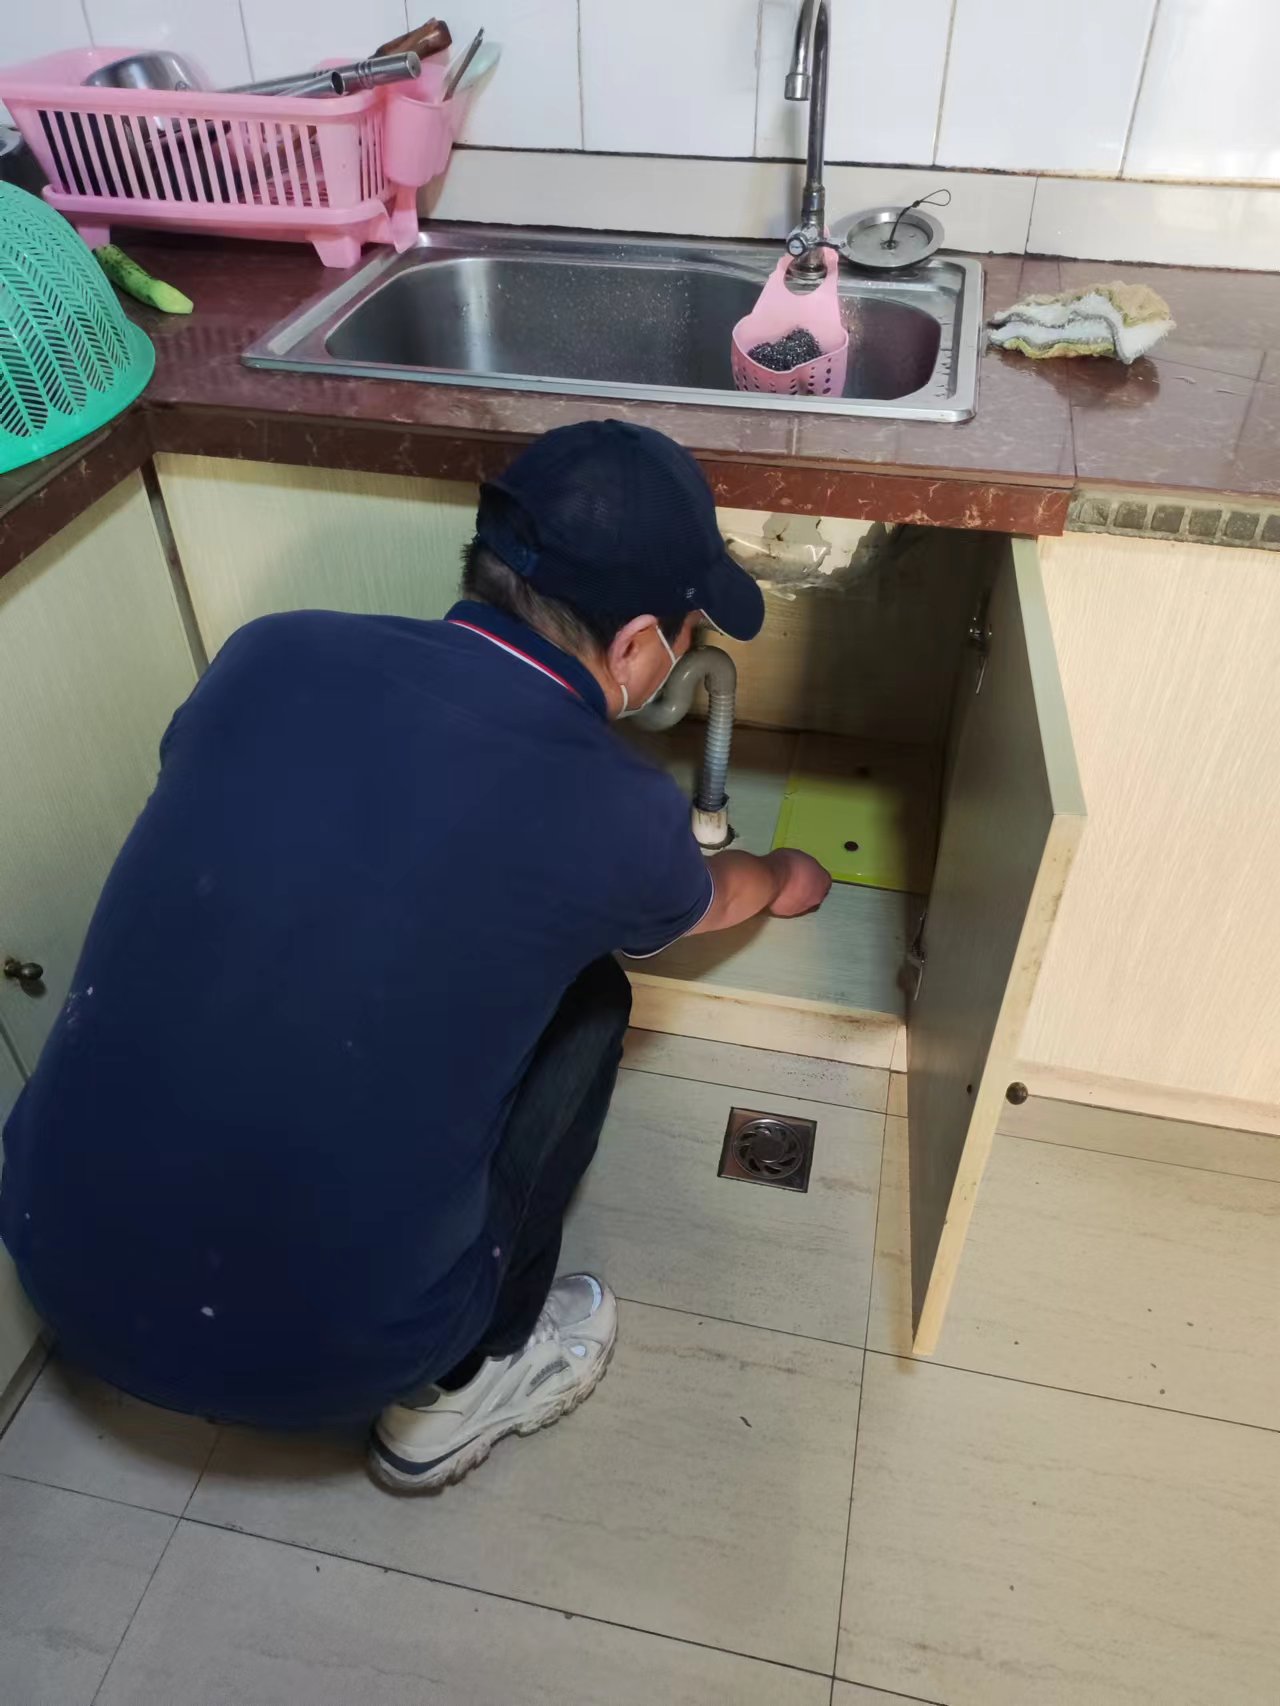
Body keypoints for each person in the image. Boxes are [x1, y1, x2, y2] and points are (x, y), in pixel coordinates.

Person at [0, 420, 831, 1493]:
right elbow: (712, 897)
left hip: (54, 1262)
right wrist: (788, 873)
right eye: (684, 630)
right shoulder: (614, 809)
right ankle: (466, 1385)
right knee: (592, 995)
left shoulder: (270, 653)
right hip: (330, 1358)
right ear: (636, 646)